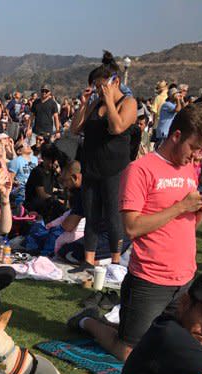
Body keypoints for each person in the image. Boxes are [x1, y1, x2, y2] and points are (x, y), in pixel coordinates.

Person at [69, 106, 202, 361]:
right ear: (176, 135)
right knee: (129, 352)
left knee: (171, 342)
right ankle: (88, 322)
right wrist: (182, 206)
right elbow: (132, 227)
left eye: (201, 150)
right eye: (193, 147)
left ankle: (117, 326)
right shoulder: (140, 170)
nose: (196, 156)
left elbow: (187, 226)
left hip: (184, 275)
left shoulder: (188, 170)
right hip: (150, 275)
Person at [70, 51, 138, 267]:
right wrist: (83, 104)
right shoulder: (94, 103)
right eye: (96, 87)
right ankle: (88, 260)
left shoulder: (128, 103)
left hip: (115, 168)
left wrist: (109, 101)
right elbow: (75, 129)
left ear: (115, 81)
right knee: (91, 215)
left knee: (112, 217)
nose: (99, 91)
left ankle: (116, 261)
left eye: (102, 86)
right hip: (92, 168)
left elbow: (117, 127)